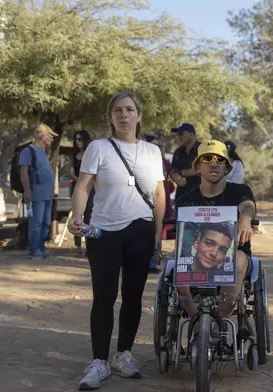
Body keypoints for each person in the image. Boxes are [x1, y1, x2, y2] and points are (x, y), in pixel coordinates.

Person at [69, 92, 166, 390]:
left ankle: (123, 354)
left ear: (138, 116)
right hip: (103, 232)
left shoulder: (152, 151)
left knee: (134, 296)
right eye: (118, 111)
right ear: (110, 117)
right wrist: (77, 217)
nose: (124, 115)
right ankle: (99, 362)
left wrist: (158, 234)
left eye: (130, 110)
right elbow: (83, 185)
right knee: (104, 296)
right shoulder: (98, 148)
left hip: (141, 230)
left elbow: (159, 194)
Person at [175, 140, 255, 320]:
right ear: (197, 168)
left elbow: (247, 205)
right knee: (176, 264)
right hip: (195, 257)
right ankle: (197, 323)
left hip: (233, 257)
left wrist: (245, 218)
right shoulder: (186, 201)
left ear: (227, 168)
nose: (214, 163)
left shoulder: (240, 190)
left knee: (240, 259)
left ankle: (219, 321)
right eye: (207, 159)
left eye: (219, 160)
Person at [19, 123, 58, 259]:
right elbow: (23, 173)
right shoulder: (28, 151)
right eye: (50, 136)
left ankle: (41, 248)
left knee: (46, 222)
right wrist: (27, 191)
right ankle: (34, 250)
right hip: (36, 193)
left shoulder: (43, 152)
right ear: (41, 135)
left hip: (47, 194)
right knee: (36, 222)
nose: (52, 139)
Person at [145, 134, 174, 273]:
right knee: (149, 231)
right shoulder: (143, 162)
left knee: (159, 231)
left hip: (163, 200)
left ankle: (155, 259)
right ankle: (148, 261)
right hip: (147, 201)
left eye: (157, 144)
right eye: (152, 144)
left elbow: (169, 183)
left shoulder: (166, 163)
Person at [69, 130, 94, 256]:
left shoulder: (91, 154)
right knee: (77, 217)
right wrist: (80, 181)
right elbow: (71, 172)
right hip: (76, 187)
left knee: (89, 217)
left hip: (90, 189)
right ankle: (78, 246)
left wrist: (85, 182)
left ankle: (90, 247)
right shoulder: (74, 155)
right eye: (76, 140)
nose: (78, 142)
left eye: (80, 139)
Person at [170, 123, 201, 202]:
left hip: (200, 197)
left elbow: (204, 169)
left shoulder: (203, 149)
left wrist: (182, 173)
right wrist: (176, 178)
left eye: (181, 133)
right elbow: (173, 170)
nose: (179, 136)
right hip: (181, 197)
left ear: (191, 134)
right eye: (178, 134)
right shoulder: (178, 152)